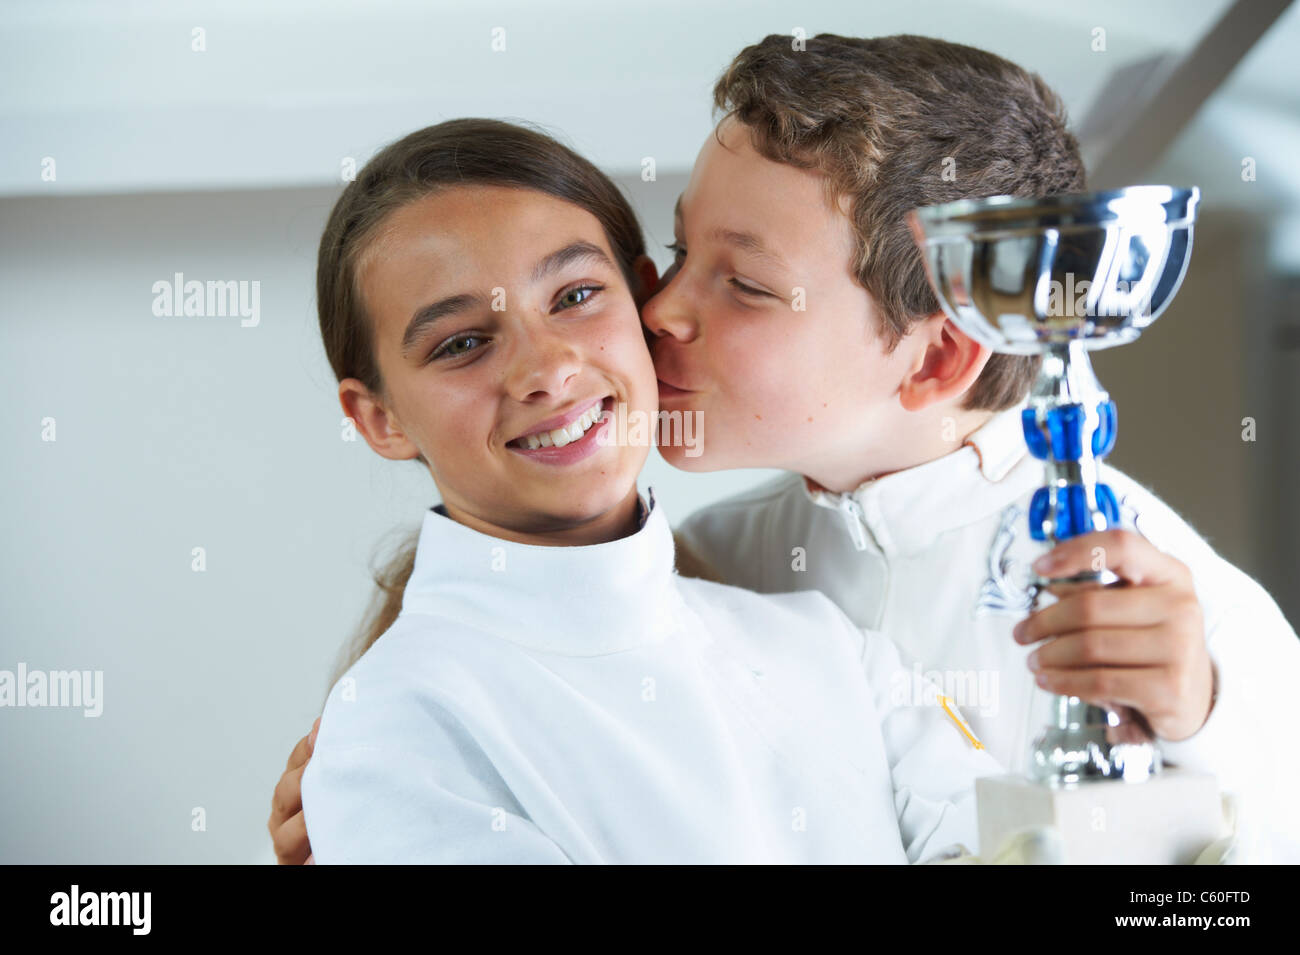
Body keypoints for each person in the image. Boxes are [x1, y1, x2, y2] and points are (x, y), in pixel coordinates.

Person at [271, 33, 1300, 864]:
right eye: (677, 253)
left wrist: (1201, 718)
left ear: (936, 359)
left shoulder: (1167, 611)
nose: (658, 309)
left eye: (745, 284)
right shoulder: (719, 560)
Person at [295, 117, 999, 864]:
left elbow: (1025, 845)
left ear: (642, 303)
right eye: (463, 343)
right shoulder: (393, 726)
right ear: (378, 418)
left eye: (574, 296)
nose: (548, 369)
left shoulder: (828, 646)